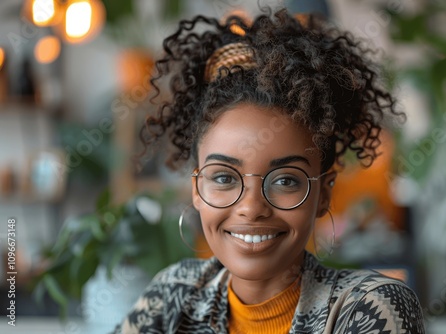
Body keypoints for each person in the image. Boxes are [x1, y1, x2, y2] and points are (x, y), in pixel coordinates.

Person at [113, 7, 424, 334]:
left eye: (286, 180)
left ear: (324, 193)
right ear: (196, 188)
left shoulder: (369, 307)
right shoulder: (171, 297)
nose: (251, 207)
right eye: (223, 177)